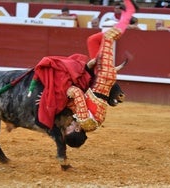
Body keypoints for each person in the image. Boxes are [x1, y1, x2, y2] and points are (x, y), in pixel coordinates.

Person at [29, 0, 138, 139]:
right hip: (103, 78)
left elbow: (76, 103)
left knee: (93, 40)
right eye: (69, 129)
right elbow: (76, 93)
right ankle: (128, 12)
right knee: (109, 37)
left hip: (99, 79)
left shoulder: (89, 125)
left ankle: (124, 23)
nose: (68, 126)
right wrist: (60, 91)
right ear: (77, 130)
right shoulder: (84, 121)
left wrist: (48, 99)